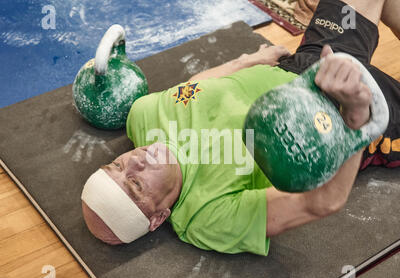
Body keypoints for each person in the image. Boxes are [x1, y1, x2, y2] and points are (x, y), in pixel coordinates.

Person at [81, 0, 400, 255]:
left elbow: (192, 88)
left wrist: (250, 60)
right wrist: (358, 119)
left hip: (306, 66)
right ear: (159, 217)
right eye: (136, 184)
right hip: (335, 122)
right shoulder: (206, 215)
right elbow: (320, 203)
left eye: (116, 165)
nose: (135, 161)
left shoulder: (142, 115)